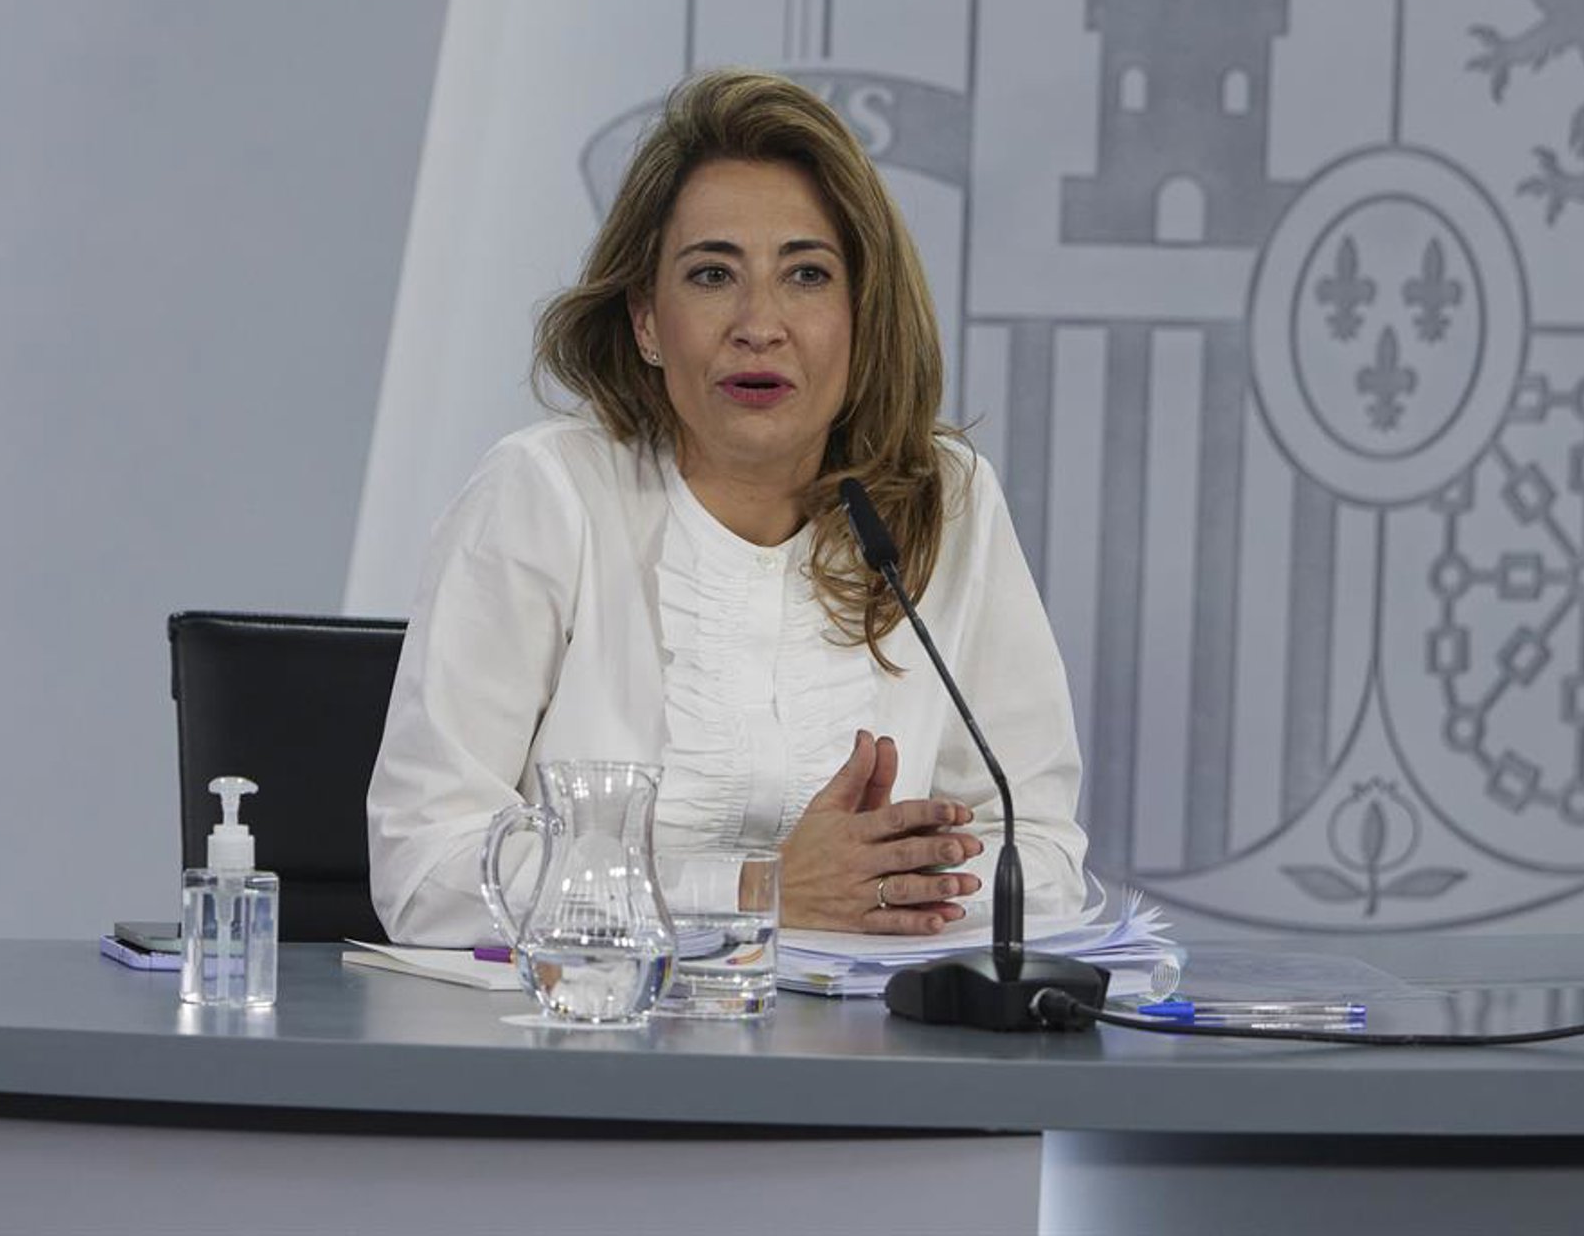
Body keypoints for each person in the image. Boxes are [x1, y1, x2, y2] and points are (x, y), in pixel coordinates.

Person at [367, 69, 1091, 944]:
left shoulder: (948, 501)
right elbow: (428, 869)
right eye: (712, 274)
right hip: (589, 1022)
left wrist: (879, 891)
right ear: (646, 319)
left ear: (862, 313)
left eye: (807, 274)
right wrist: (756, 890)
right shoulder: (546, 495)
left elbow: (1040, 852)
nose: (760, 323)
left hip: (863, 1028)